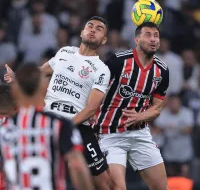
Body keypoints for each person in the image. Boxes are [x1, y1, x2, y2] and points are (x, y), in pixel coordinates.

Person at [4, 16, 111, 190]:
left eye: (99, 29)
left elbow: (92, 108)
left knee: (103, 184)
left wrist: (67, 125)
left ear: (104, 39)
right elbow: (40, 73)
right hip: (49, 121)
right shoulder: (65, 52)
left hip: (78, 125)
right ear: (82, 32)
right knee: (49, 171)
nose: (93, 29)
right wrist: (17, 77)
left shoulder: (101, 69)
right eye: (90, 26)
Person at [95, 22, 169, 190]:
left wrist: (140, 116)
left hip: (140, 134)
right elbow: (94, 89)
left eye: (156, 36)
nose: (153, 39)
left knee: (162, 187)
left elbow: (156, 108)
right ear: (136, 39)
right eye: (148, 35)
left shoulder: (162, 71)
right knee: (118, 188)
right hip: (110, 134)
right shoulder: (117, 61)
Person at [0, 63, 93, 190]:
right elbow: (76, 165)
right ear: (44, 89)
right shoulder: (59, 124)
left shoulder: (5, 127)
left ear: (14, 92)